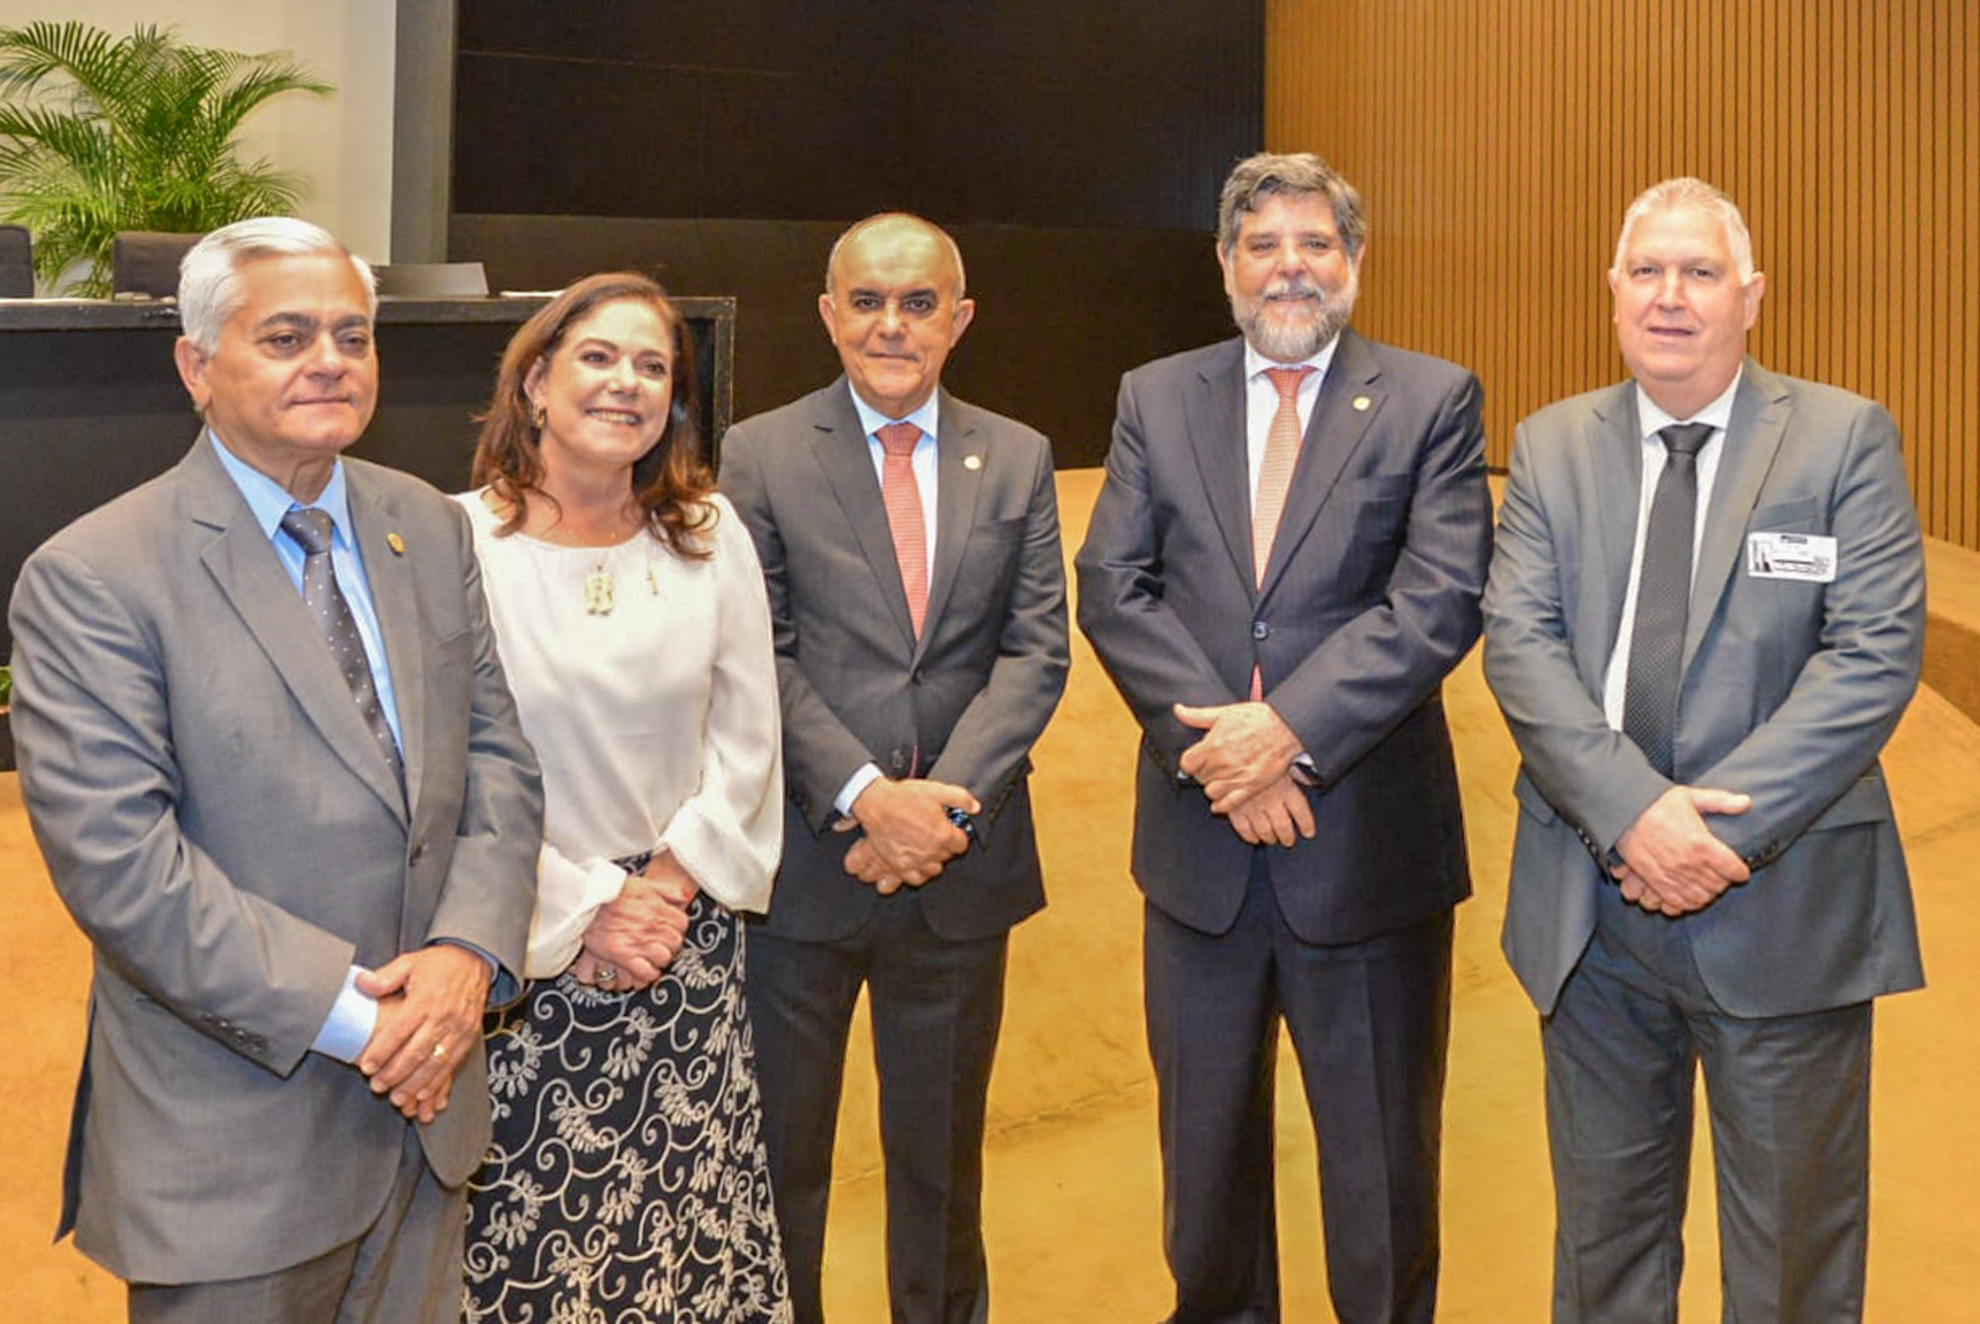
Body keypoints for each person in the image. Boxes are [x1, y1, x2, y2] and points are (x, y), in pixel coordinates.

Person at [7, 217, 543, 1323]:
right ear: (197, 366)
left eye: (353, 335)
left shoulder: (427, 529)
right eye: (289, 335)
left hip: (428, 1121)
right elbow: (127, 873)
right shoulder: (96, 576)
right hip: (236, 1151)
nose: (331, 361)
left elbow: (499, 761)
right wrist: (372, 1026)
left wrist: (467, 960)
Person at [1483, 177, 1925, 1322]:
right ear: (1612, 292)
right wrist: (1634, 815)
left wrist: (1704, 832)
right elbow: (1521, 650)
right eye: (1647, 271)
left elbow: (1871, 658)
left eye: (1699, 272)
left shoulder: (1841, 438)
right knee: (1605, 1246)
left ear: (1752, 295)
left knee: (1790, 1251)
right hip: (1593, 910)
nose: (1669, 297)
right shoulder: (1548, 445)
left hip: (1781, 903)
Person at [1075, 152, 1491, 1324]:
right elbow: (1112, 583)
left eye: (1315, 243)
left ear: (1353, 264)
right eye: (1264, 245)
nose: (1290, 267)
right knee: (1202, 1178)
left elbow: (1440, 599)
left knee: (1382, 1178)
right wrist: (1223, 752)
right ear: (1225, 266)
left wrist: (1289, 735)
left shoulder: (1431, 397)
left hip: (1365, 855)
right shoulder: (1158, 395)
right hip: (1202, 855)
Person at [718, 212, 1069, 1324]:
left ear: (958, 321)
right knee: (785, 1170)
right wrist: (870, 799)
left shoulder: (1015, 453)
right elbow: (752, 649)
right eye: (866, 301)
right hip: (808, 876)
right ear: (828, 313)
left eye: (918, 304)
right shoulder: (760, 453)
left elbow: (1036, 648)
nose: (891, 325)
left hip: (959, 876)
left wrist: (942, 809)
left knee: (942, 1169)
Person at [453, 272, 791, 1322]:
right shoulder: (451, 539)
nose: (627, 383)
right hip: (516, 954)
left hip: (679, 951)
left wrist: (663, 890)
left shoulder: (708, 534)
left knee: (683, 1243)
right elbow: (449, 765)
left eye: (654, 366)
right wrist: (586, 902)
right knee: (531, 1253)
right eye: (599, 356)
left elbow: (749, 734)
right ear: (539, 381)